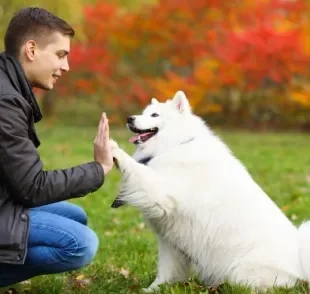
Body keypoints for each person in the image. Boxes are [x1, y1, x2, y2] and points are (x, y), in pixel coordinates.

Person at [0, 6, 114, 287]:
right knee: (81, 244)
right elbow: (32, 187)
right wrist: (99, 169)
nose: (66, 67)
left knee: (76, 216)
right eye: (61, 55)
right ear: (31, 49)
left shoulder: (9, 86)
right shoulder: (5, 101)